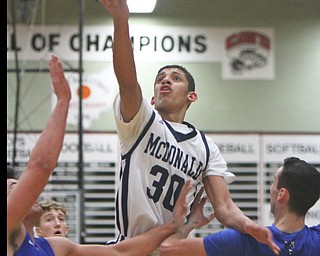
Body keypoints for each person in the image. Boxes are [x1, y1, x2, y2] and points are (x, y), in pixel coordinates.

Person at [99, 0, 280, 254]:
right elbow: (128, 83)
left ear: (191, 96)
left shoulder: (205, 147)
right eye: (160, 79)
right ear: (151, 99)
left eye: (175, 78)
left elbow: (225, 208)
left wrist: (252, 227)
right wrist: (121, 20)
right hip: (130, 247)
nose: (166, 81)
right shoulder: (141, 122)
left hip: (172, 249)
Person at [7, 54, 193, 256]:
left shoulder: (55, 247)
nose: (24, 192)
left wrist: (175, 223)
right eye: (14, 189)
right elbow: (40, 166)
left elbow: (120, 252)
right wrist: (63, 102)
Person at [159, 157, 320, 256]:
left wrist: (188, 224)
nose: (271, 188)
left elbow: (167, 249)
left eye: (274, 181)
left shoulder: (243, 241)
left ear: (281, 194)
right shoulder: (316, 241)